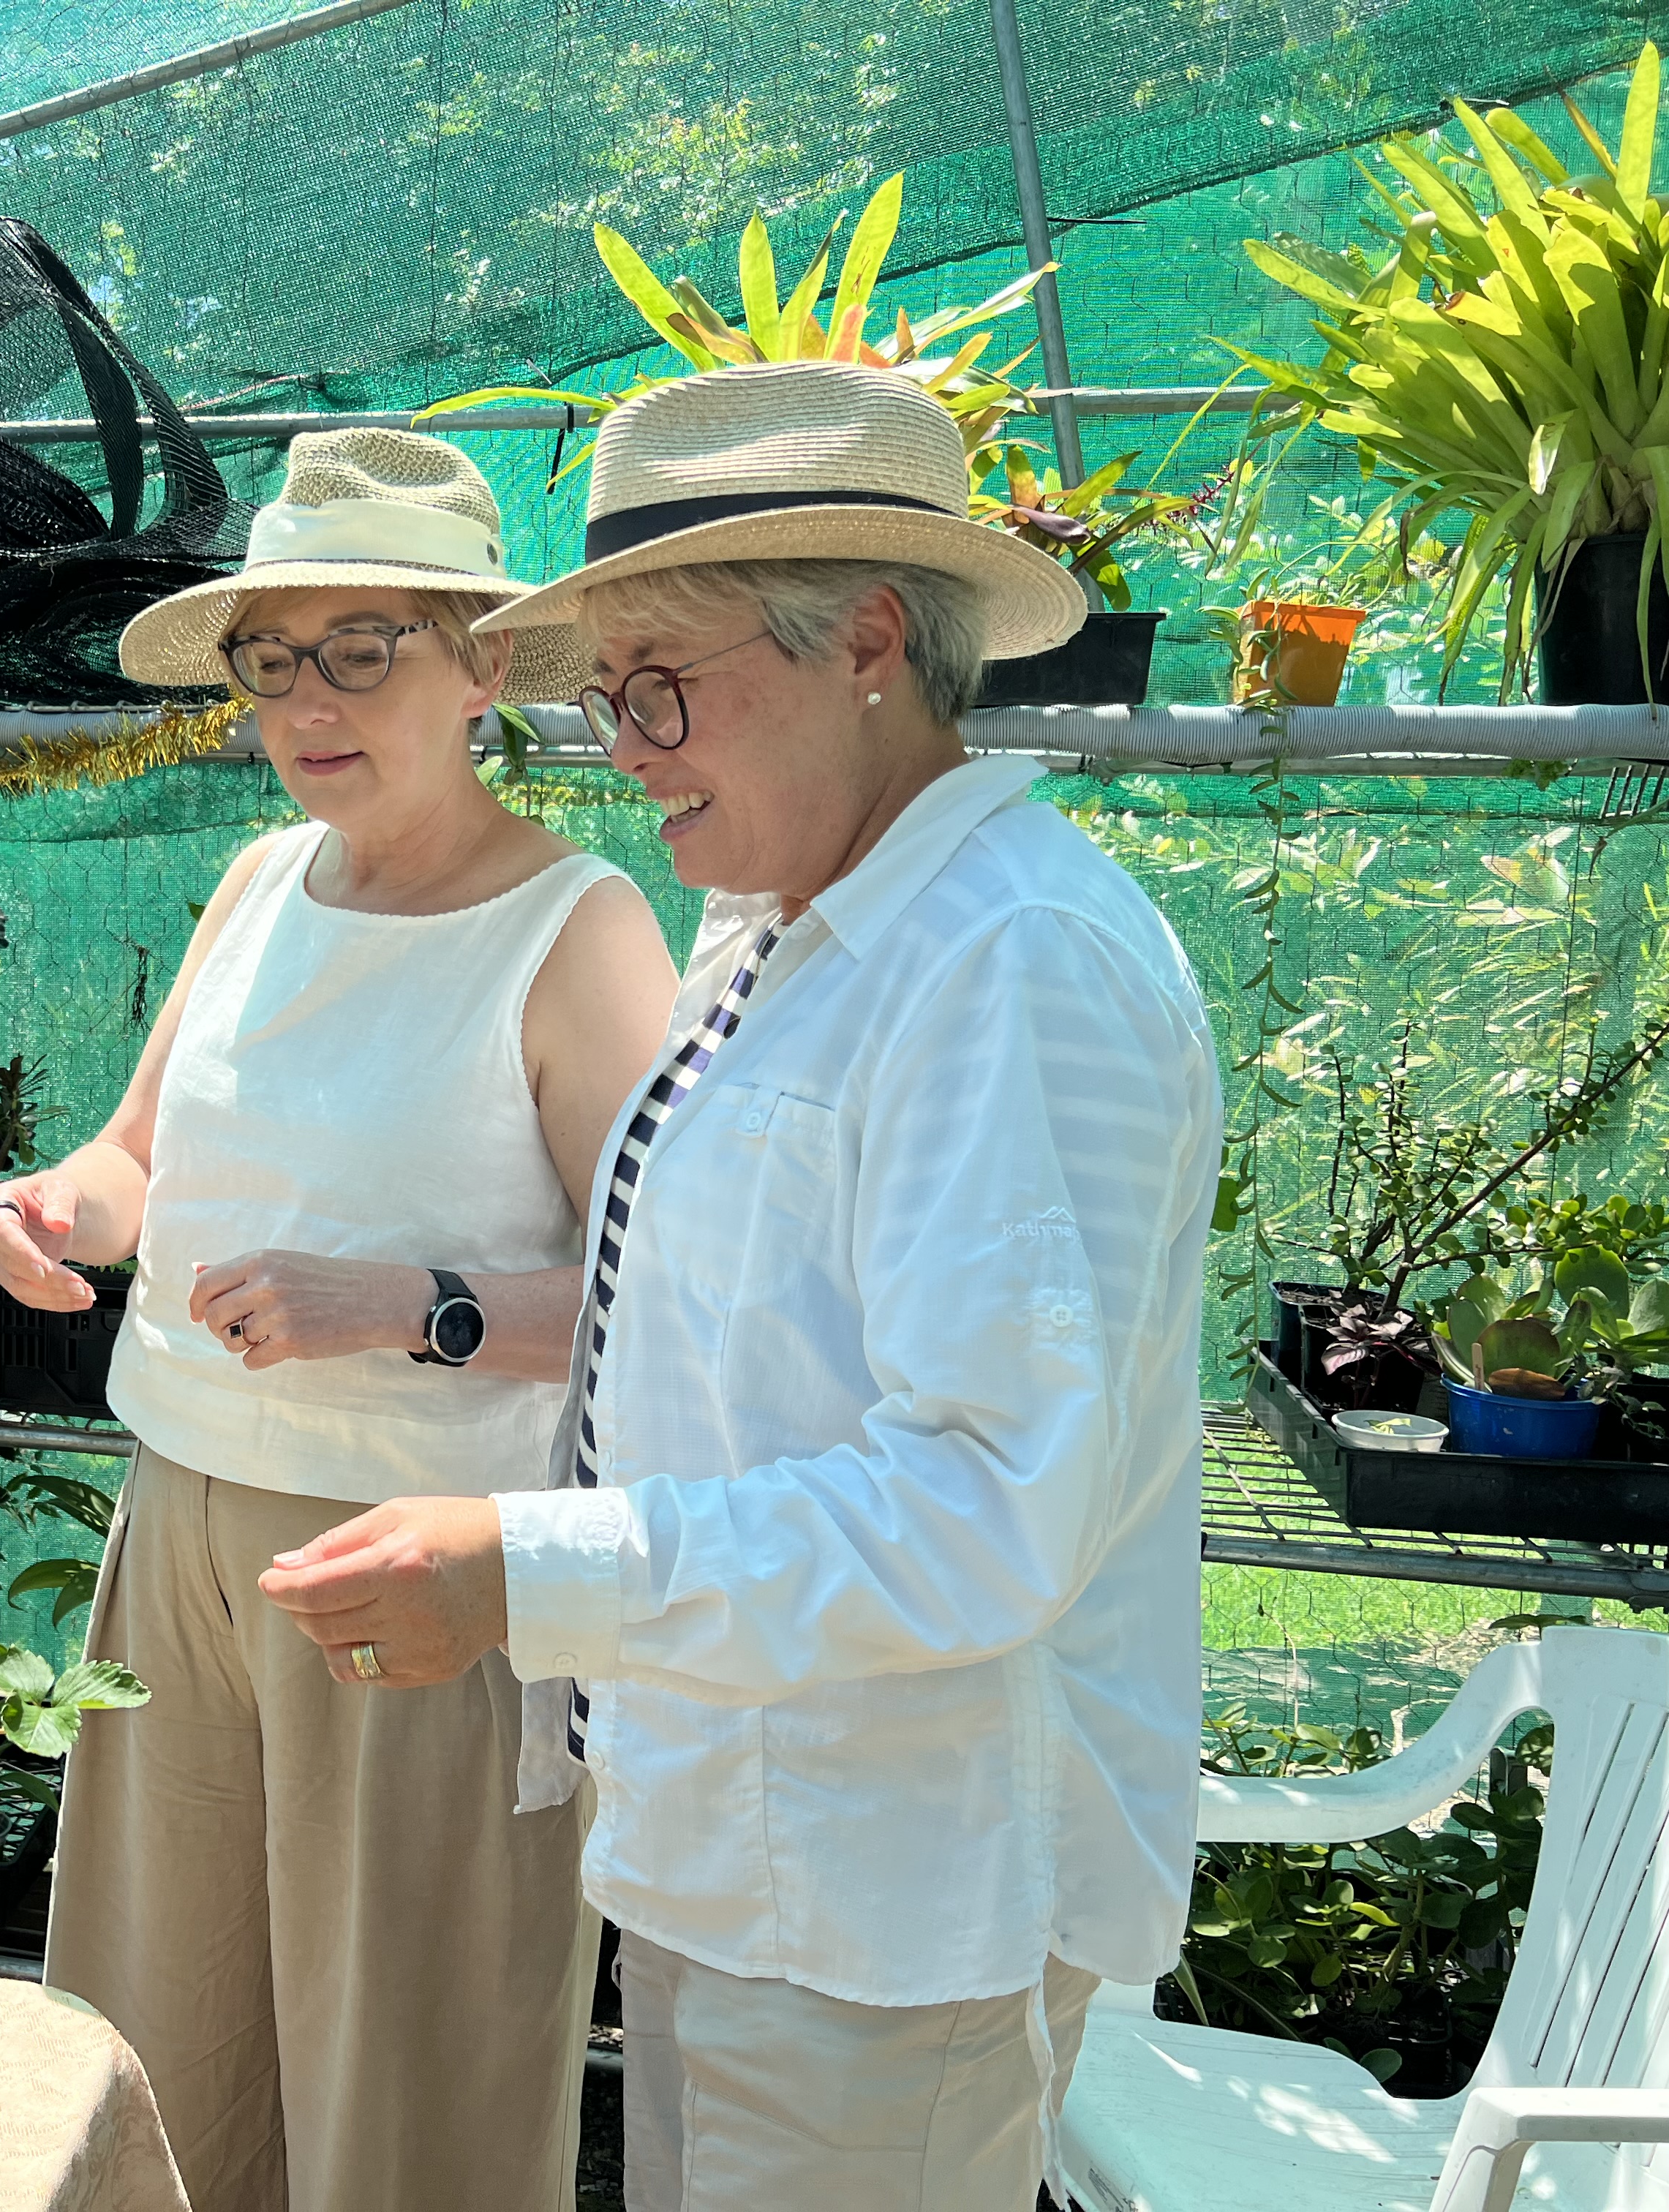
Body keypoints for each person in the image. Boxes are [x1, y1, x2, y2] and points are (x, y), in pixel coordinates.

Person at [256, 361, 1221, 2212]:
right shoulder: (789, 932)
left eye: (662, 686)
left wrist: (524, 1569)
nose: (625, 742)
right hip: (744, 1849)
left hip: (897, 1903)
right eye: (610, 696)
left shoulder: (1004, 960)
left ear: (868, 637)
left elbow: (984, 1504)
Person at [0, 426, 679, 2212]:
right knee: (158, 2033)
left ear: (485, 663)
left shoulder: (578, 929)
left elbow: (674, 1307)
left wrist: (402, 1308)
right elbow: (138, 1159)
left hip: (418, 1562)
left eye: (366, 646)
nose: (311, 699)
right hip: (179, 1526)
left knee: (407, 2074)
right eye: (273, 657)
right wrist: (55, 1212)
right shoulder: (258, 883)